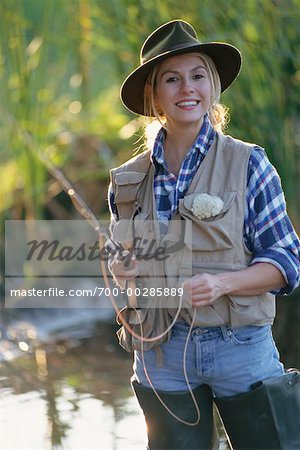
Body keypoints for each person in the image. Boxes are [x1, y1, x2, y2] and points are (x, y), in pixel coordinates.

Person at [107, 20, 300, 449]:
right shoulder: (126, 181)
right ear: (153, 95)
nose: (186, 89)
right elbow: (118, 265)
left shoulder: (250, 164)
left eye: (197, 76)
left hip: (241, 349)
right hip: (160, 355)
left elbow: (286, 261)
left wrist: (222, 283)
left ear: (212, 86)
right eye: (171, 80)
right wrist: (122, 269)